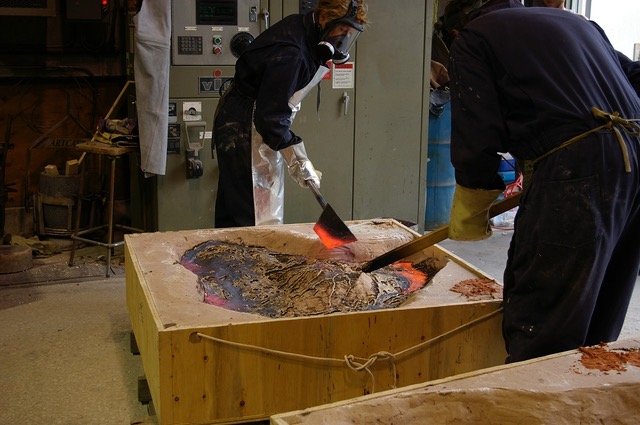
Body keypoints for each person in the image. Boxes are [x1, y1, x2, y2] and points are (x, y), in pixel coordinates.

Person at [443, 0, 640, 363]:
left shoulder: (473, 37)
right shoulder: (577, 24)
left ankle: (531, 399)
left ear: (456, 27)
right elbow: (636, 75)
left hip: (576, 165)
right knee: (602, 295)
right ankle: (585, 391)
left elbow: (476, 134)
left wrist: (473, 202)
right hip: (636, 152)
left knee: (544, 306)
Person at [213, 0, 369, 228]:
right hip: (245, 127)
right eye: (342, 30)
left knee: (239, 207)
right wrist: (300, 162)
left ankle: (226, 261)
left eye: (349, 34)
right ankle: (246, 263)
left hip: (251, 117)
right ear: (326, 19)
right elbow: (270, 120)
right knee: (254, 215)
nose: (343, 39)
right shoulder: (291, 53)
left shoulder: (304, 29)